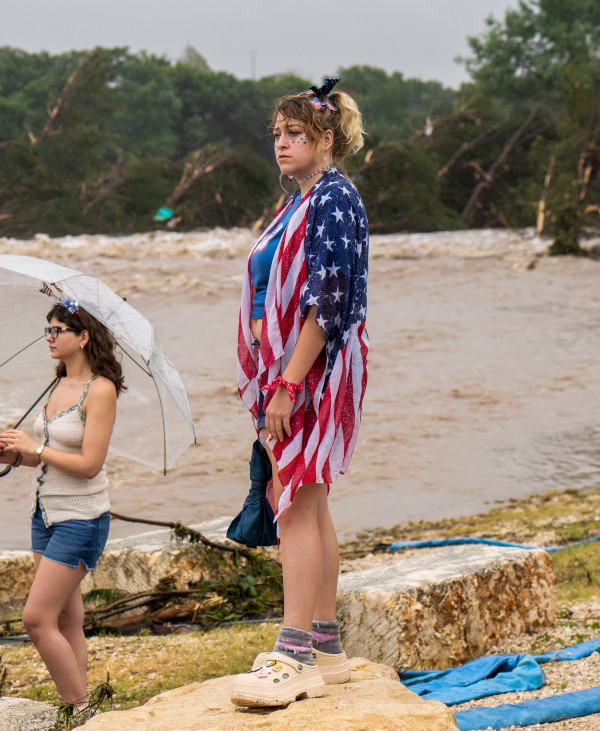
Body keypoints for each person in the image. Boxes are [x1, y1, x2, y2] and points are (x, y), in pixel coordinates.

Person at [230, 77, 370, 708]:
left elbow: (330, 297)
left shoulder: (333, 198)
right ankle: (327, 646)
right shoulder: (303, 199)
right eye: (278, 135)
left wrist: (287, 382)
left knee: (295, 506)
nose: (282, 145)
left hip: (314, 370)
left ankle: (294, 655)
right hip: (292, 366)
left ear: (327, 139)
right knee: (308, 501)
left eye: (296, 135)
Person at [0, 300, 124, 715]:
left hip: (81, 519)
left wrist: (36, 447)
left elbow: (88, 465)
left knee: (35, 620)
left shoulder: (100, 389)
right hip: (45, 514)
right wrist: (13, 456)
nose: (49, 337)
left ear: (83, 337)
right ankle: (82, 713)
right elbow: (43, 457)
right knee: (66, 621)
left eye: (57, 330)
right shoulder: (55, 382)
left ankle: (79, 709)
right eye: (47, 329)